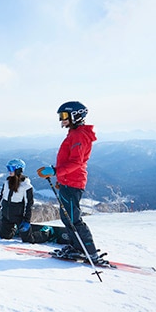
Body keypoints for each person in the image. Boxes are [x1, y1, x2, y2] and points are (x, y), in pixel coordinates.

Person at [38, 101, 105, 264]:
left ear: (76, 115)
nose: (62, 120)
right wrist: (61, 179)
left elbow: (76, 162)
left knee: (73, 219)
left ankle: (90, 252)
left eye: (65, 116)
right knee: (66, 217)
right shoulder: (75, 133)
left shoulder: (79, 135)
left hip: (74, 182)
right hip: (68, 181)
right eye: (60, 116)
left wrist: (55, 171)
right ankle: (77, 247)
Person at [0, 159, 33, 239]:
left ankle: (47, 232)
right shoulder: (7, 182)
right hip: (7, 215)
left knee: (27, 239)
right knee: (4, 236)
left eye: (11, 169)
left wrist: (27, 220)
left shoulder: (26, 185)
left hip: (19, 216)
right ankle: (6, 227)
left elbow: (29, 204)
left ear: (18, 170)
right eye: (8, 168)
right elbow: (2, 196)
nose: (9, 171)